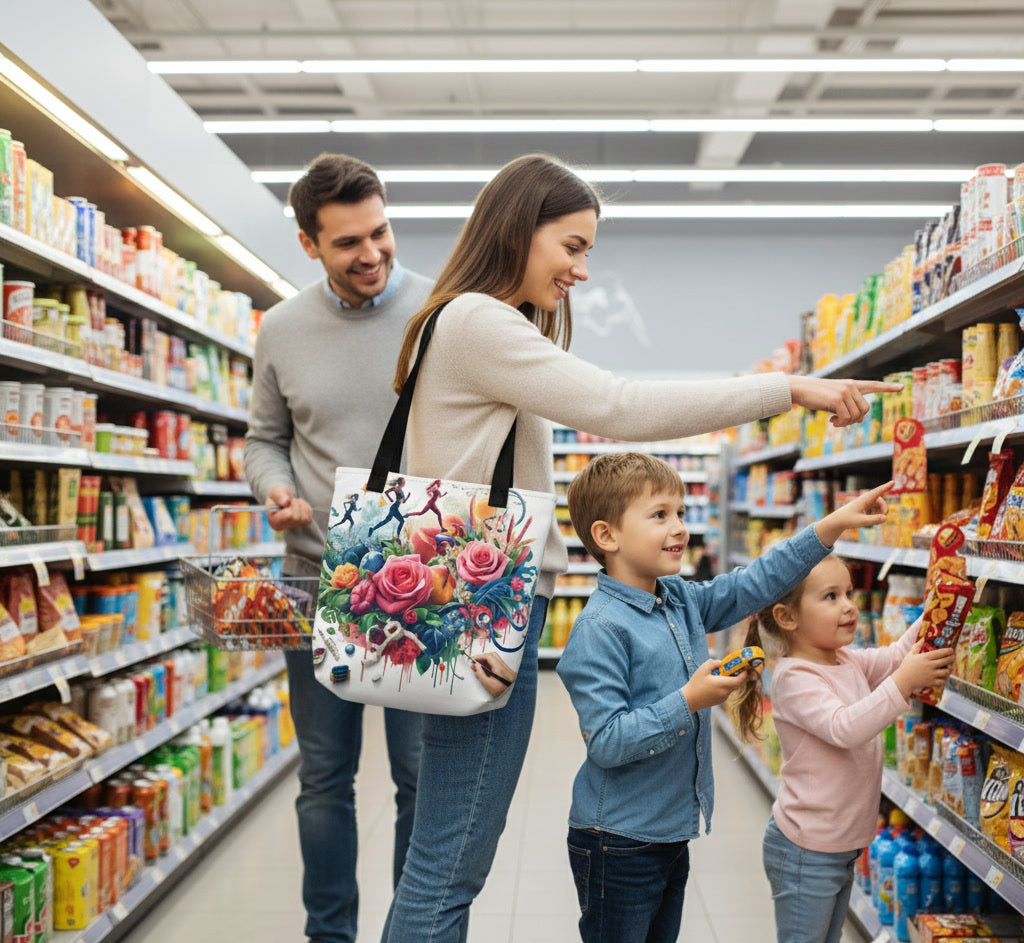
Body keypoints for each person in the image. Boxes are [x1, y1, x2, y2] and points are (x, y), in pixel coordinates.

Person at [380, 152, 902, 943]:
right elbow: (617, 404)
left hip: (476, 613)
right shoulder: (479, 320)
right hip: (480, 621)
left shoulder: (467, 322)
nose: (582, 270)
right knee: (448, 868)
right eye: (573, 246)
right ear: (519, 230)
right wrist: (784, 390)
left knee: (447, 860)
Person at [555, 453, 895, 942]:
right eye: (659, 515)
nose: (679, 527)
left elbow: (754, 583)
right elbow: (606, 740)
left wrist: (830, 527)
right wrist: (688, 700)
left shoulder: (678, 599)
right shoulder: (600, 629)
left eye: (680, 512)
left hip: (669, 832)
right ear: (607, 536)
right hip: (616, 841)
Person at [243, 152, 433, 943]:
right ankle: (332, 933)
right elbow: (264, 441)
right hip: (313, 581)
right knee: (325, 778)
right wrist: (274, 491)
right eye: (348, 241)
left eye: (380, 231)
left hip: (420, 584)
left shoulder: (440, 310)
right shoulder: (282, 329)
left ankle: (413, 927)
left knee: (420, 778)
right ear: (307, 244)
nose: (372, 254)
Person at [732, 554, 955, 943]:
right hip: (805, 849)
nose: (849, 606)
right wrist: (902, 684)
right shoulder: (795, 677)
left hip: (839, 844)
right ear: (787, 617)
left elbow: (894, 657)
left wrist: (940, 607)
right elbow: (845, 727)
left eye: (848, 593)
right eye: (831, 597)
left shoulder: (845, 660)